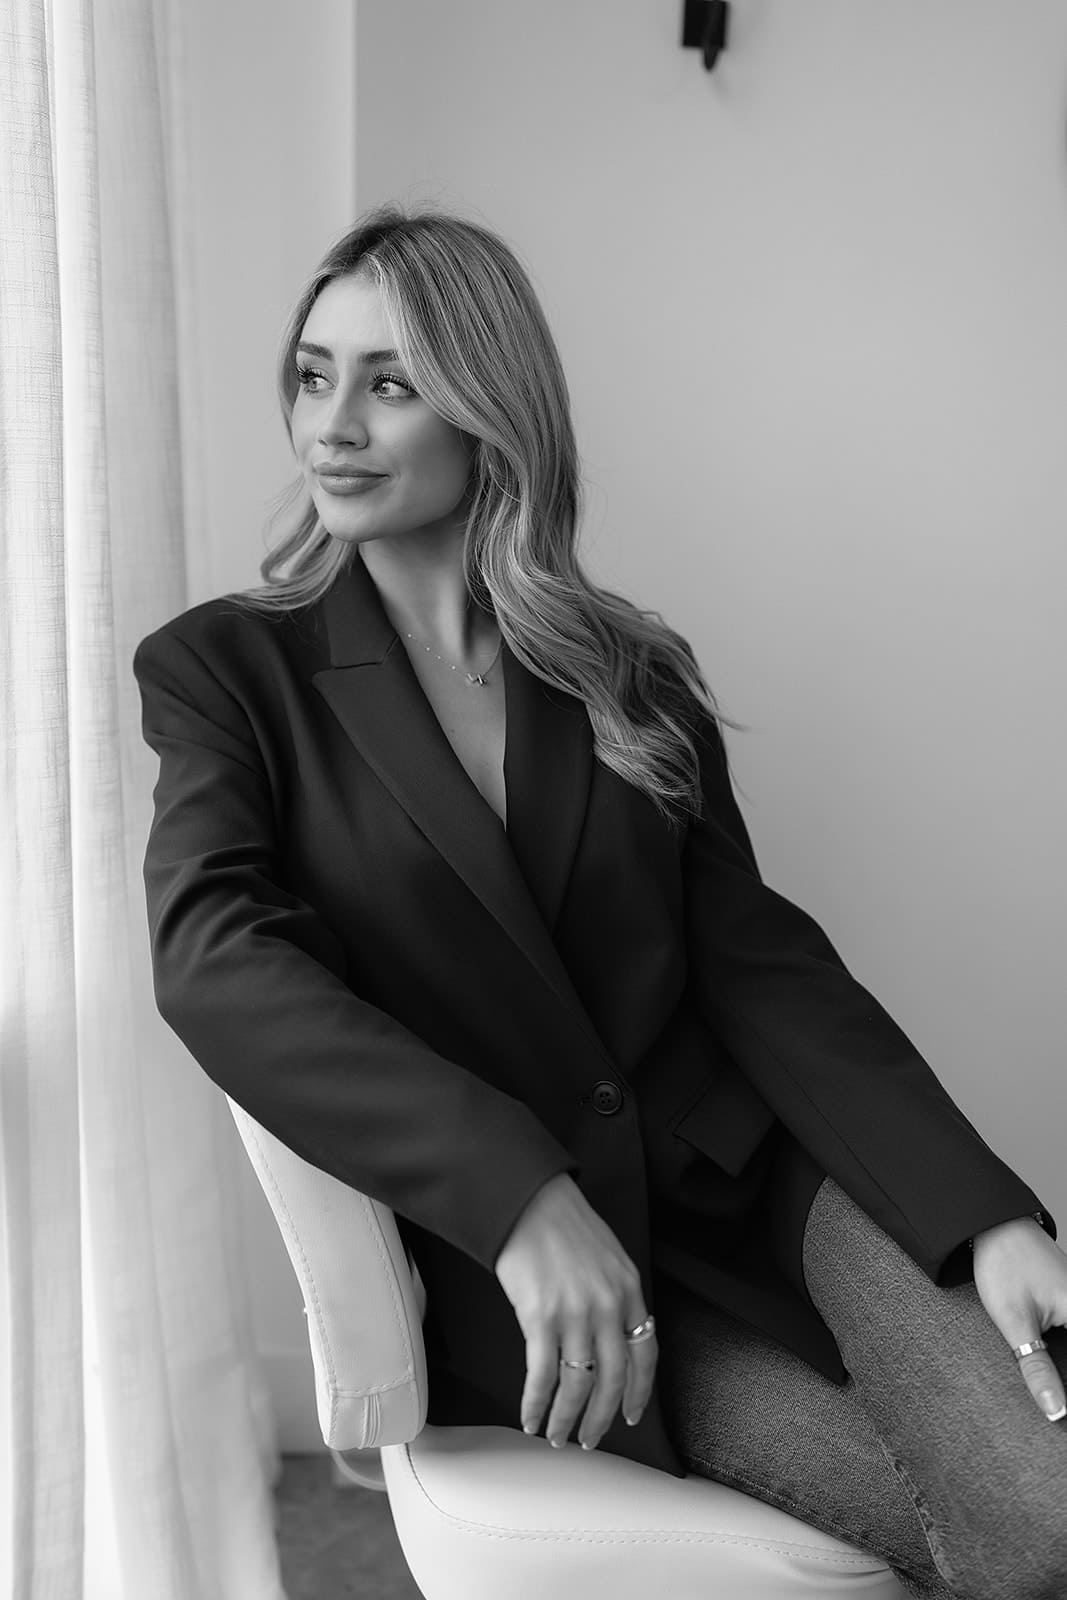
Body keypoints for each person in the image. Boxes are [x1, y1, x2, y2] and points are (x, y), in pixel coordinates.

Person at [133, 204, 1067, 1598]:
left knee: (1041, 1512)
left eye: (388, 383)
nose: (331, 422)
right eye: (312, 372)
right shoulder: (226, 674)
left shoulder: (627, 670)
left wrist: (983, 1213)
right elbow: (215, 962)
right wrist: (520, 1194)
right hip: (586, 1303)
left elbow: (762, 969)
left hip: (771, 1193)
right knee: (1026, 1535)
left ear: (487, 410)